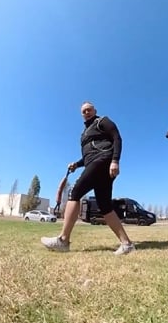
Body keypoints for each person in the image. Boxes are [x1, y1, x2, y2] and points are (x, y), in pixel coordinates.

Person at [41, 102, 136, 255]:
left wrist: (115, 160)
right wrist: (77, 164)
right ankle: (127, 244)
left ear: (95, 110)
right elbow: (87, 158)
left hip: (104, 160)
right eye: (84, 111)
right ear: (81, 114)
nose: (87, 113)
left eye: (89, 110)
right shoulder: (84, 133)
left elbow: (117, 138)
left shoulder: (102, 121)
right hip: (94, 163)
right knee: (105, 206)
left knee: (75, 192)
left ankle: (63, 240)